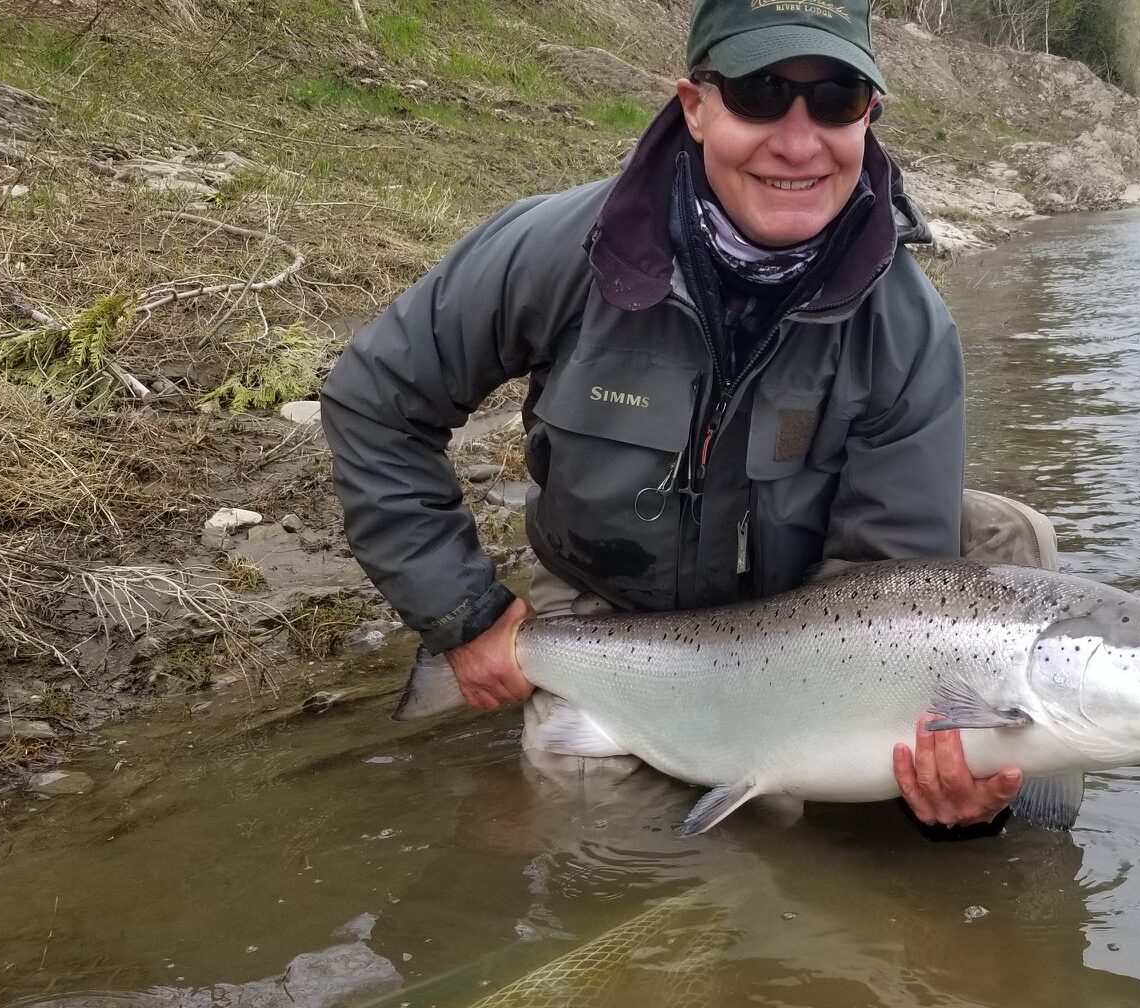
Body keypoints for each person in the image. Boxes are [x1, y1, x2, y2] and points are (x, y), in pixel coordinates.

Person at [321, 0, 1057, 838]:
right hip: (617, 610)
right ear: (695, 106)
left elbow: (885, 580)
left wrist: (950, 797)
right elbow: (375, 400)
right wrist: (464, 618)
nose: (798, 139)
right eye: (759, 93)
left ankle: (987, 813)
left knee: (1009, 546)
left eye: (835, 99)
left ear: (870, 116)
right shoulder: (557, 250)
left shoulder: (910, 329)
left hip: (818, 616)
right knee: (614, 844)